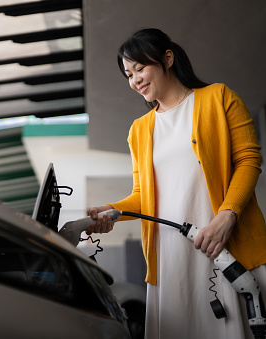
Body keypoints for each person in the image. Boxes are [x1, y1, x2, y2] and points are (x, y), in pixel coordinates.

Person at [86, 28, 266, 339]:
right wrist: (111, 210)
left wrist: (227, 215)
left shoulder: (219, 97)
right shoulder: (139, 130)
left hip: (224, 244)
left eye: (140, 68)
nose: (134, 80)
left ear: (167, 58)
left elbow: (249, 161)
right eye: (128, 74)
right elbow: (144, 197)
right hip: (170, 259)